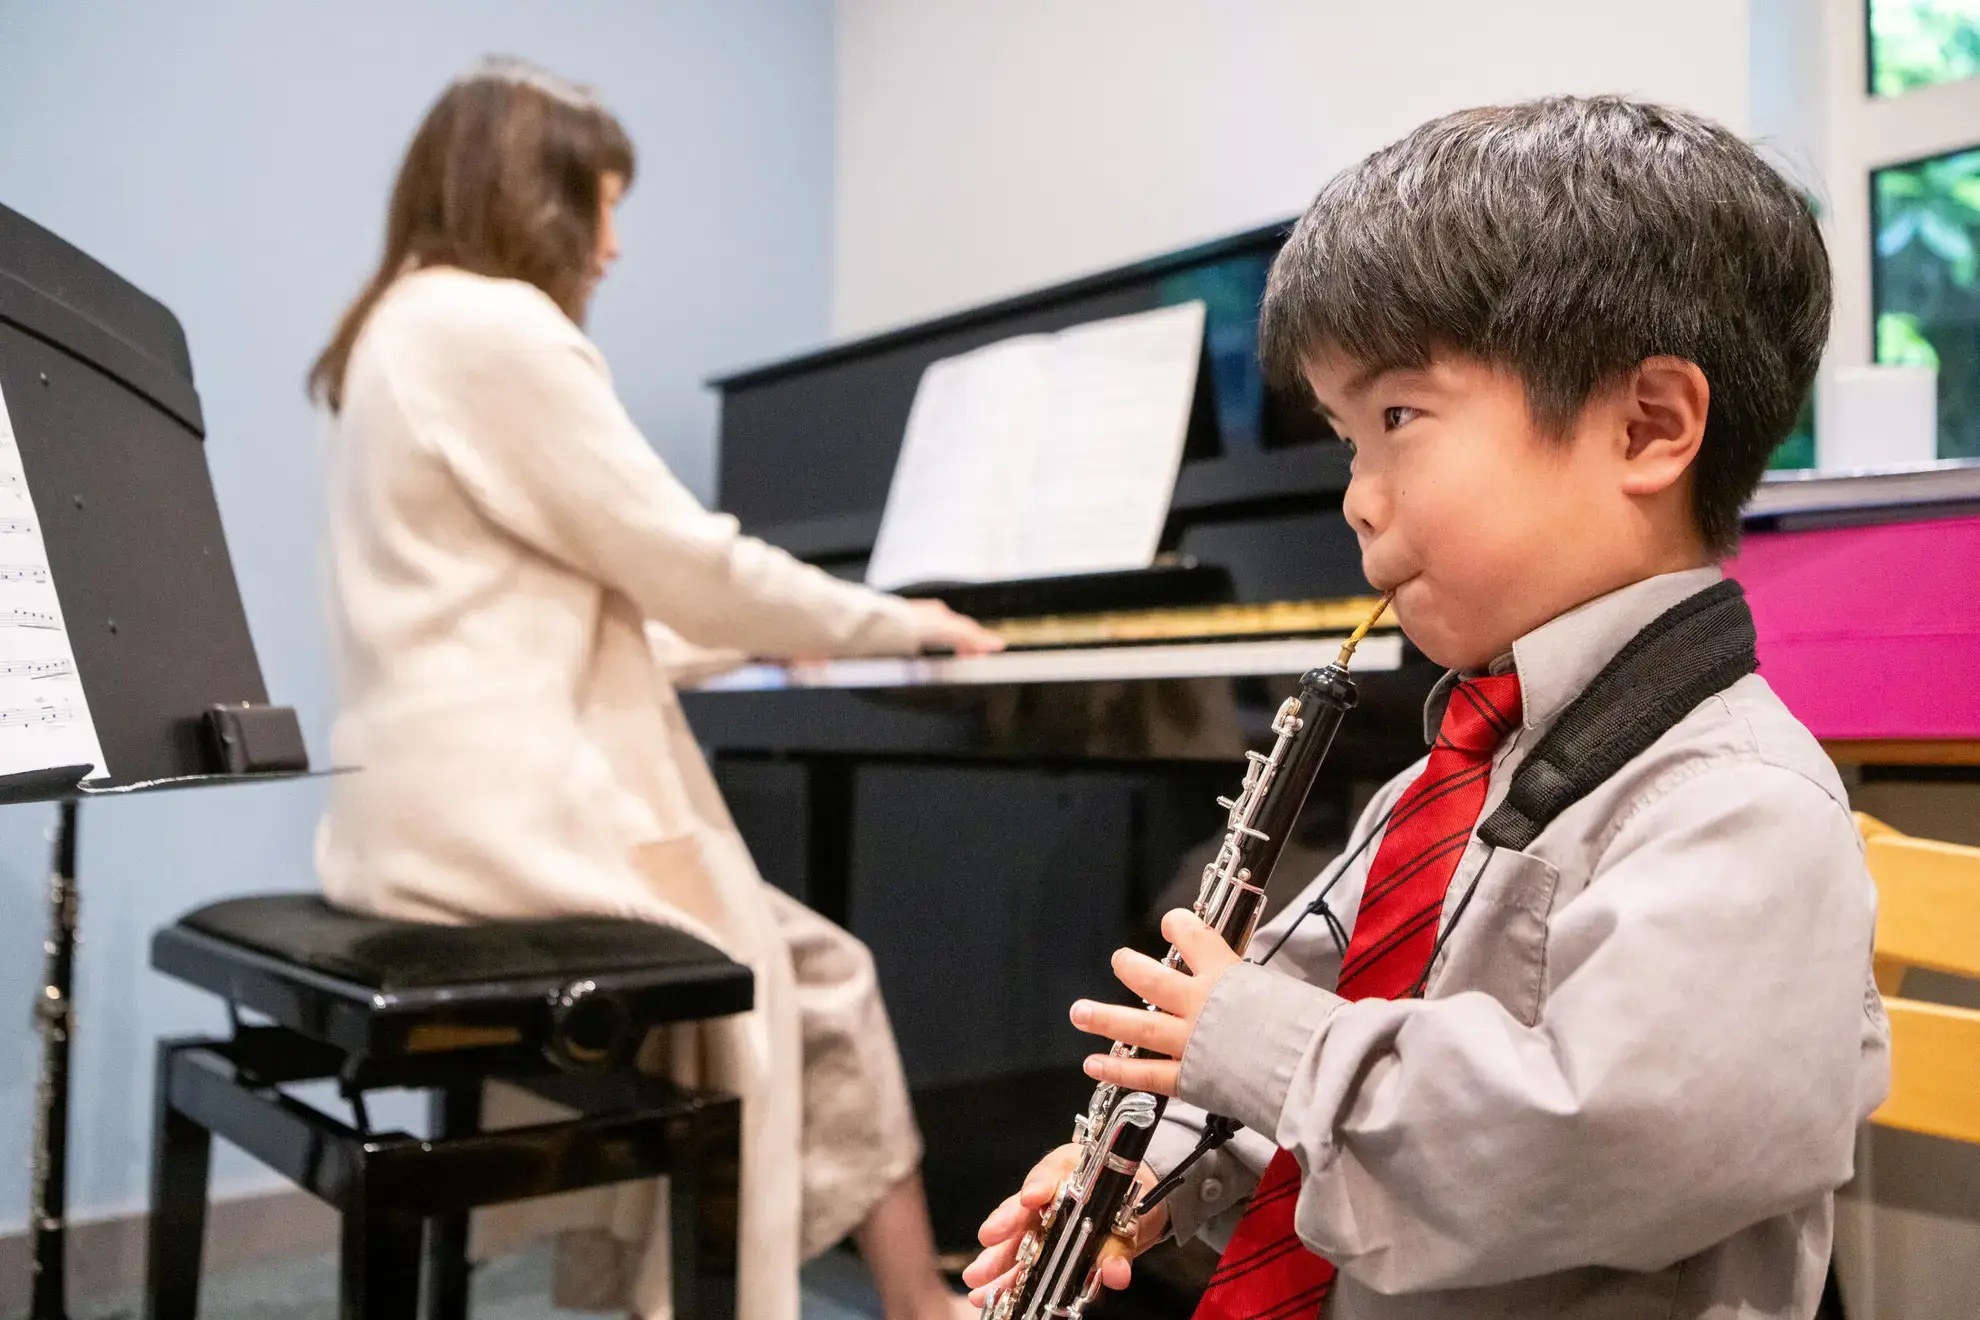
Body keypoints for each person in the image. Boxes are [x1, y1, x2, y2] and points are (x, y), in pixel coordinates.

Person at [968, 95, 1889, 1320]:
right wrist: (1157, 1176)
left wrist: (1260, 1044)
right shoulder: (1440, 778)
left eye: (1397, 419)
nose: (1357, 498)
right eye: (1347, 441)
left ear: (1648, 427)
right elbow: (1292, 1042)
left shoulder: (1740, 810)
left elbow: (1591, 1141)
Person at [309, 57, 995, 1320]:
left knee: (798, 962)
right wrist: (895, 620)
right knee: (818, 967)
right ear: (535, 194)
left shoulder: (394, 334)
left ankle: (694, 1280)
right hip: (501, 836)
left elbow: (538, 613)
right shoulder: (493, 329)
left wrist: (763, 639)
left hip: (399, 823)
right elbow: (693, 565)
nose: (614, 246)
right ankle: (894, 1302)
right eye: (604, 207)